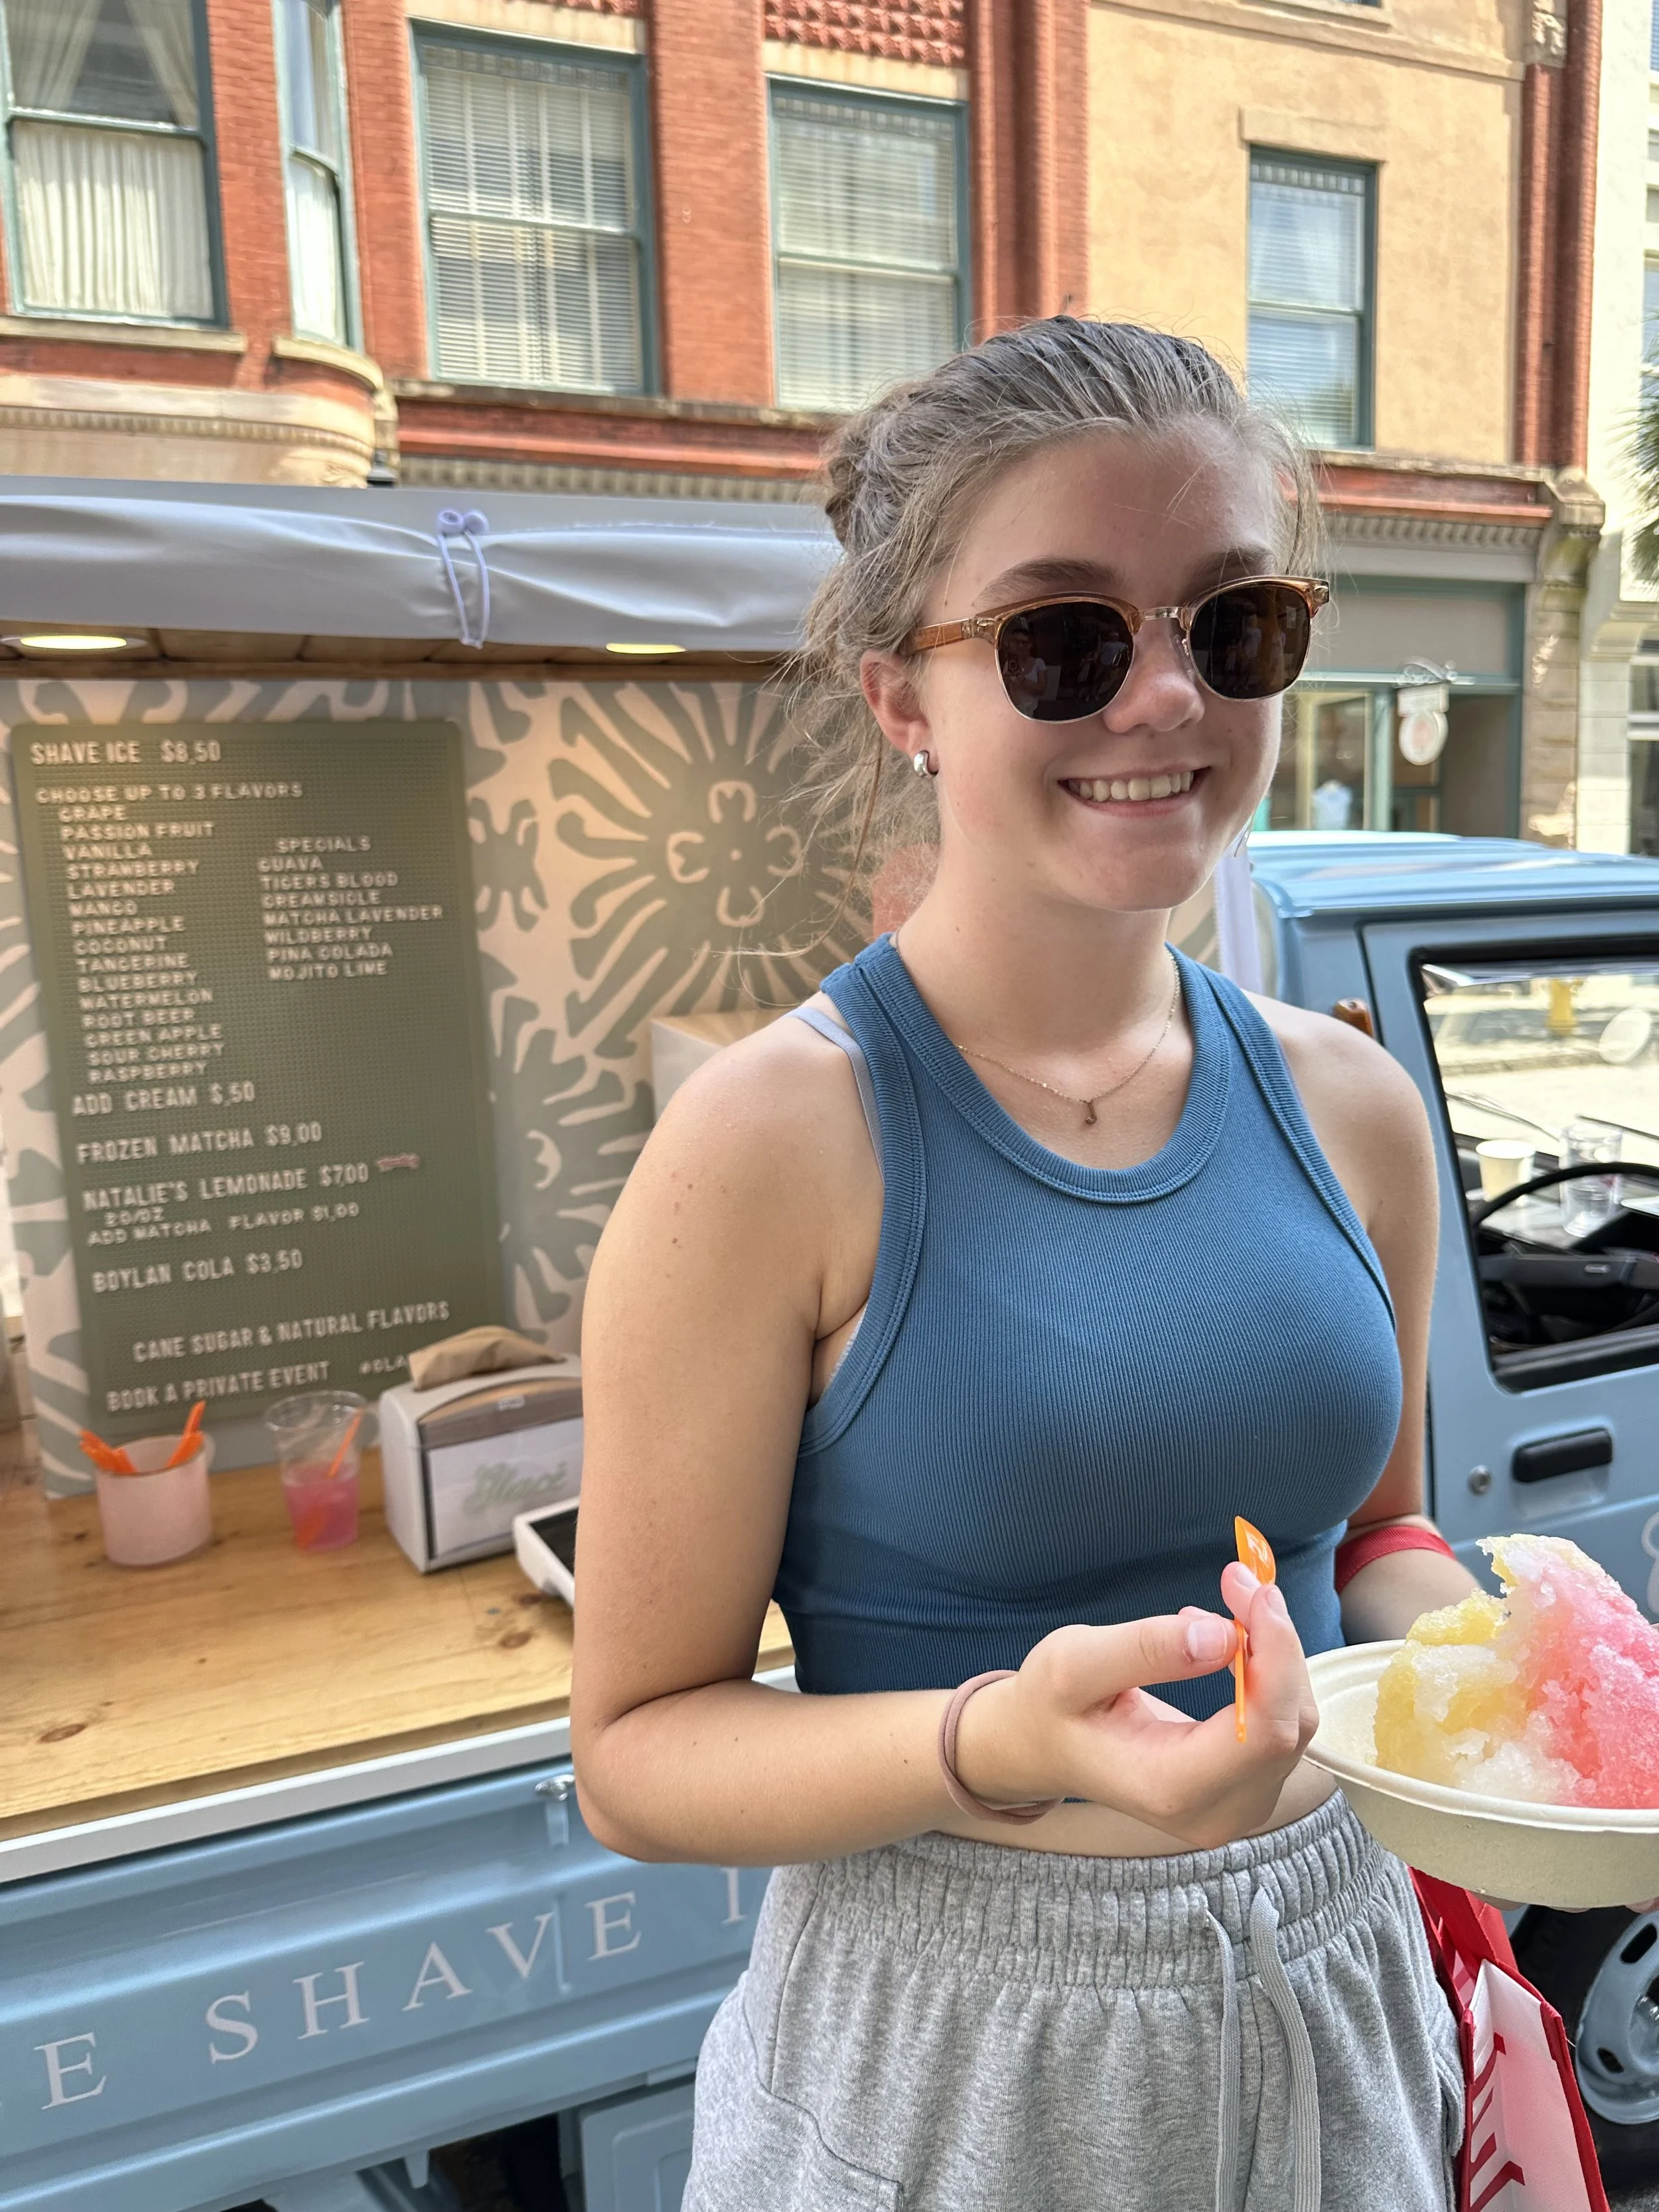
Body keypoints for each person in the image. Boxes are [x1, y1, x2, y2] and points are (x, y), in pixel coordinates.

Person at [571, 318, 1479, 2212]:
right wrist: (992, 1733)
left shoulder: (1354, 1109)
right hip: (952, 2044)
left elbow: (1371, 1540)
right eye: (1065, 639)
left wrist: (1510, 1674)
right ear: (904, 689)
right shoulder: (771, 1141)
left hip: (1335, 1980)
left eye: (1230, 625)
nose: (1162, 701)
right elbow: (638, 1753)